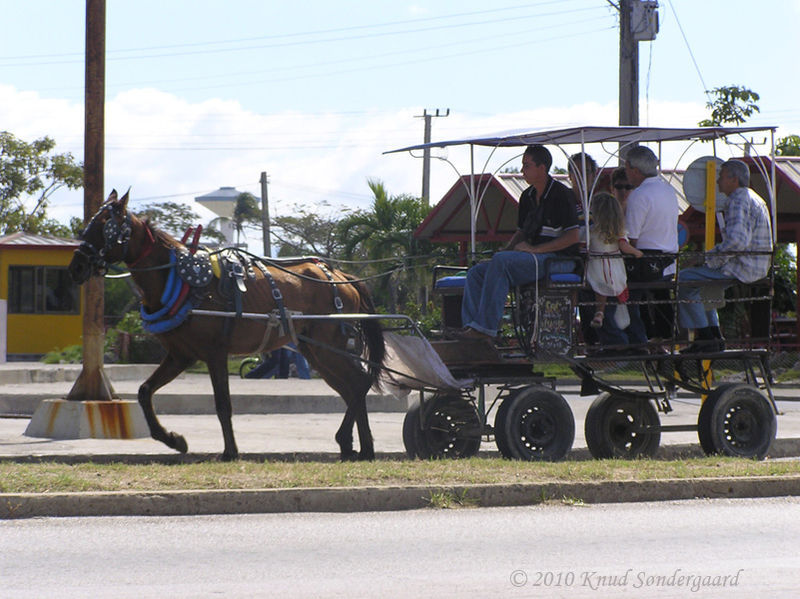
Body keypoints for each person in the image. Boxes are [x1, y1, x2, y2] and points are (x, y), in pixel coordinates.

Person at [458, 144, 580, 339]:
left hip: (559, 260)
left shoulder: (562, 195)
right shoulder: (527, 196)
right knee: (476, 273)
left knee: (502, 262)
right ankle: (471, 328)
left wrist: (535, 250)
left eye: (527, 165)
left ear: (542, 168)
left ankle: (485, 330)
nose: (522, 170)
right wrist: (503, 252)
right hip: (534, 258)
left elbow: (573, 237)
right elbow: (521, 233)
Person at [677, 159, 773, 352]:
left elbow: (737, 241)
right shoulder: (753, 197)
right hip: (755, 265)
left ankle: (705, 337)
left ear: (733, 179)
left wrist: (705, 258)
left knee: (684, 280)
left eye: (721, 176)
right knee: (702, 283)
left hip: (743, 266)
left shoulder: (737, 200)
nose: (718, 181)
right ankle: (713, 336)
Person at [623, 145, 680, 346]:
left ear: (635, 170)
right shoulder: (668, 191)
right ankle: (665, 339)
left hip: (644, 263)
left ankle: (638, 342)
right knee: (662, 301)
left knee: (631, 300)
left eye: (627, 168)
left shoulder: (639, 195)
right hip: (669, 260)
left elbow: (632, 238)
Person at [585, 192, 643, 329]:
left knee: (600, 288)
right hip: (614, 265)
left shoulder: (590, 231)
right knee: (617, 285)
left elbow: (582, 245)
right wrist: (637, 252)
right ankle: (620, 310)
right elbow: (624, 246)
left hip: (595, 265)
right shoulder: (619, 232)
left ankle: (599, 312)